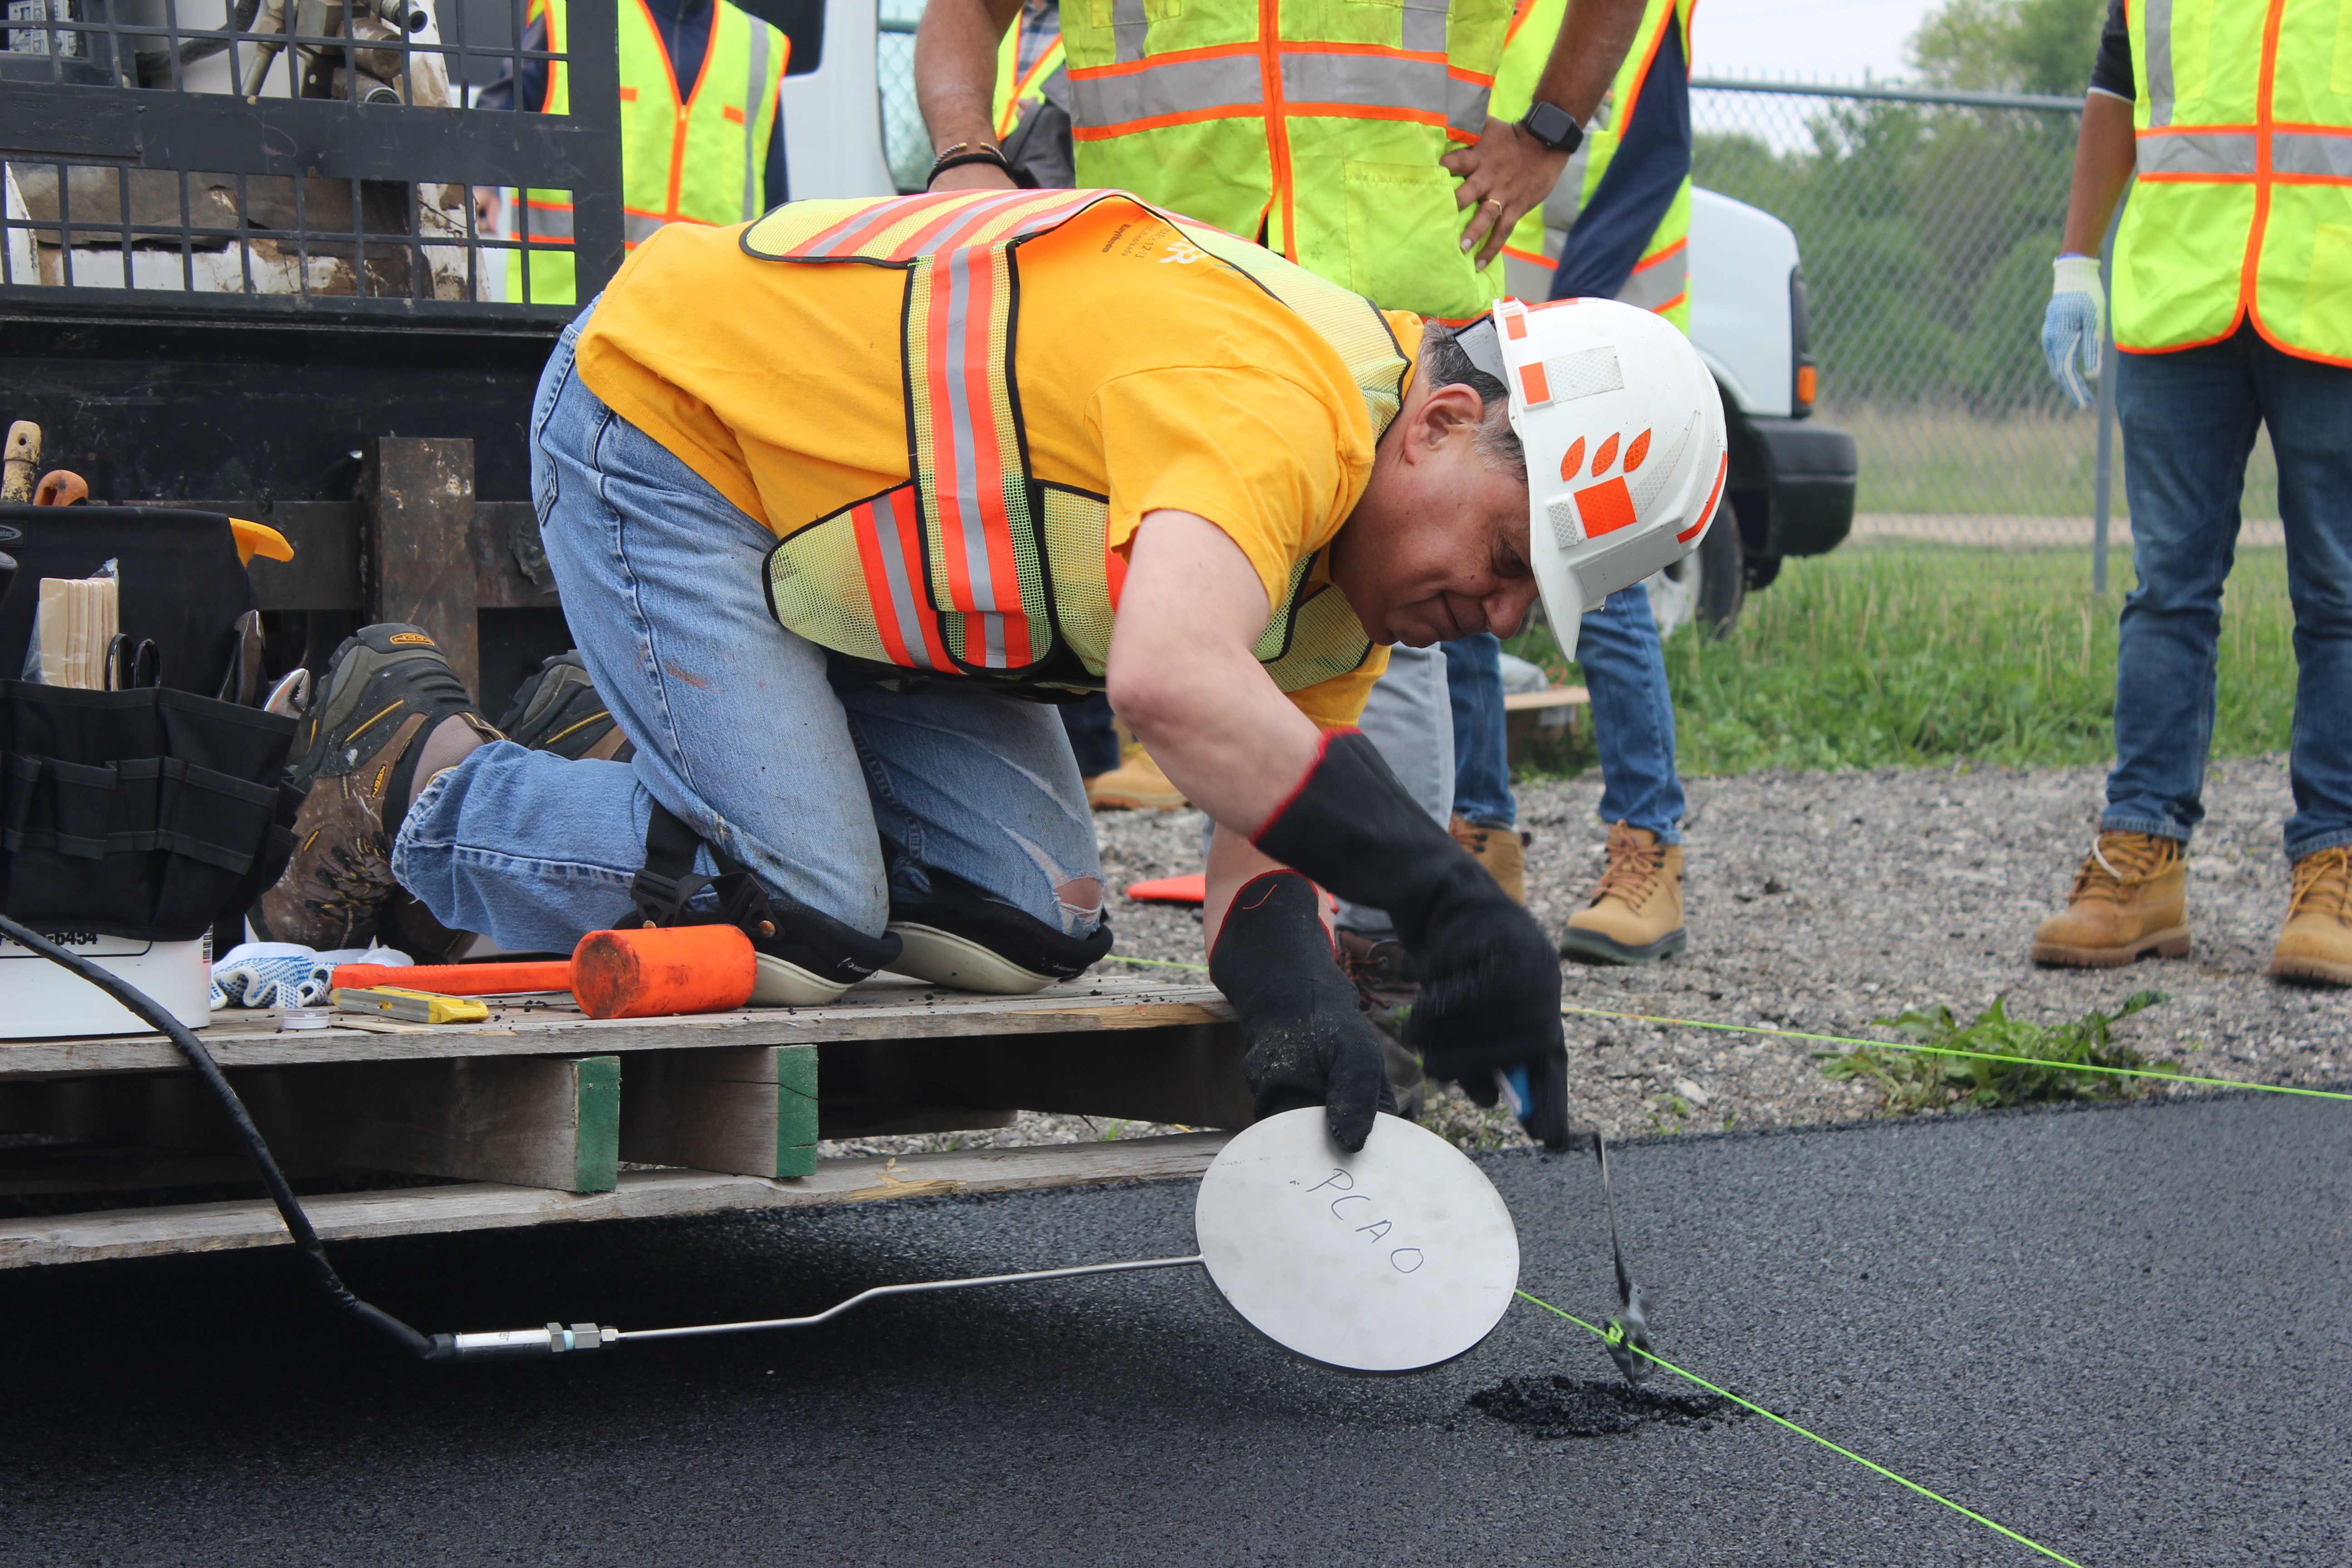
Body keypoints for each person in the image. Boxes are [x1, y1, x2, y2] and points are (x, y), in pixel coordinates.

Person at [253, 187, 1723, 1154]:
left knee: (1033, 928)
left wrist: (1298, 1012)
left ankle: (622, 748)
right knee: (809, 922)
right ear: (1441, 419)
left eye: (1534, 596)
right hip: (675, 431)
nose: (1497, 608)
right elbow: (1166, 681)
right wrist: (1452, 893)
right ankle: (414, 779)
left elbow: (1249, 866)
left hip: (845, 573)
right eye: (1510, 552)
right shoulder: (1278, 402)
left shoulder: (1354, 593)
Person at [914, 0, 1668, 979]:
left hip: (1379, 315)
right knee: (1161, 638)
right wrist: (965, 154)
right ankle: (1334, 960)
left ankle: (1366, 970)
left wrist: (1550, 132)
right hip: (1173, 302)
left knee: (1394, 627)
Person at [2030, 0, 2351, 987]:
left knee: (2340, 598)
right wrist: (2076, 260)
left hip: (2333, 295)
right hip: (2182, 292)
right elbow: (2116, 86)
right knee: (2166, 588)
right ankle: (2141, 859)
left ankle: (2335, 861)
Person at [1449, 0, 1699, 965]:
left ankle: (1649, 853)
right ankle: (1481, 841)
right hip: (1482, 312)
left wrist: (1555, 331)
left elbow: (1650, 163)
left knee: (1605, 584)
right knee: (1459, 571)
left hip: (1589, 332)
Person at [480, 0, 789, 304]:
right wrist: (483, 182)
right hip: (574, 307)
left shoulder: (758, 46)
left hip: (699, 314)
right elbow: (504, 109)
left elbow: (773, 192)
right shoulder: (574, 13)